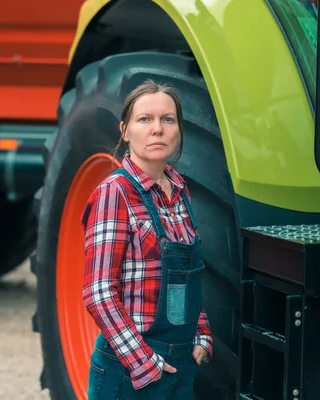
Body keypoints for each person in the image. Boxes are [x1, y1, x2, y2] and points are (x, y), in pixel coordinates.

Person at [81, 79, 213, 399]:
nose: (158, 129)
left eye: (167, 119)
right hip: (130, 368)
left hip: (181, 363)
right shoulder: (115, 193)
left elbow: (187, 279)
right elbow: (98, 292)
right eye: (145, 119)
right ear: (125, 130)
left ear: (178, 129)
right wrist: (144, 361)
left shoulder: (180, 192)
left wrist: (201, 334)